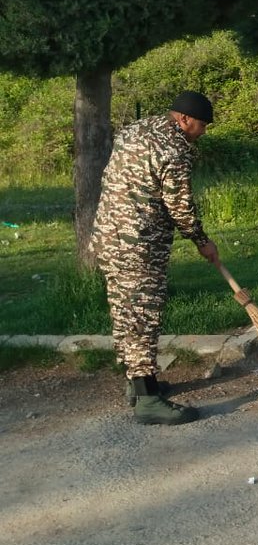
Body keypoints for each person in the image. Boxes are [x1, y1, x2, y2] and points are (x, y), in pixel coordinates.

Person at [92, 91, 219, 425]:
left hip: (109, 235)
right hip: (139, 244)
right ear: (185, 119)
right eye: (203, 125)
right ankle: (148, 402)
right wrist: (201, 241)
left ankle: (137, 384)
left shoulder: (137, 129)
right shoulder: (173, 149)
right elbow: (180, 206)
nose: (203, 131)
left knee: (125, 312)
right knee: (143, 317)